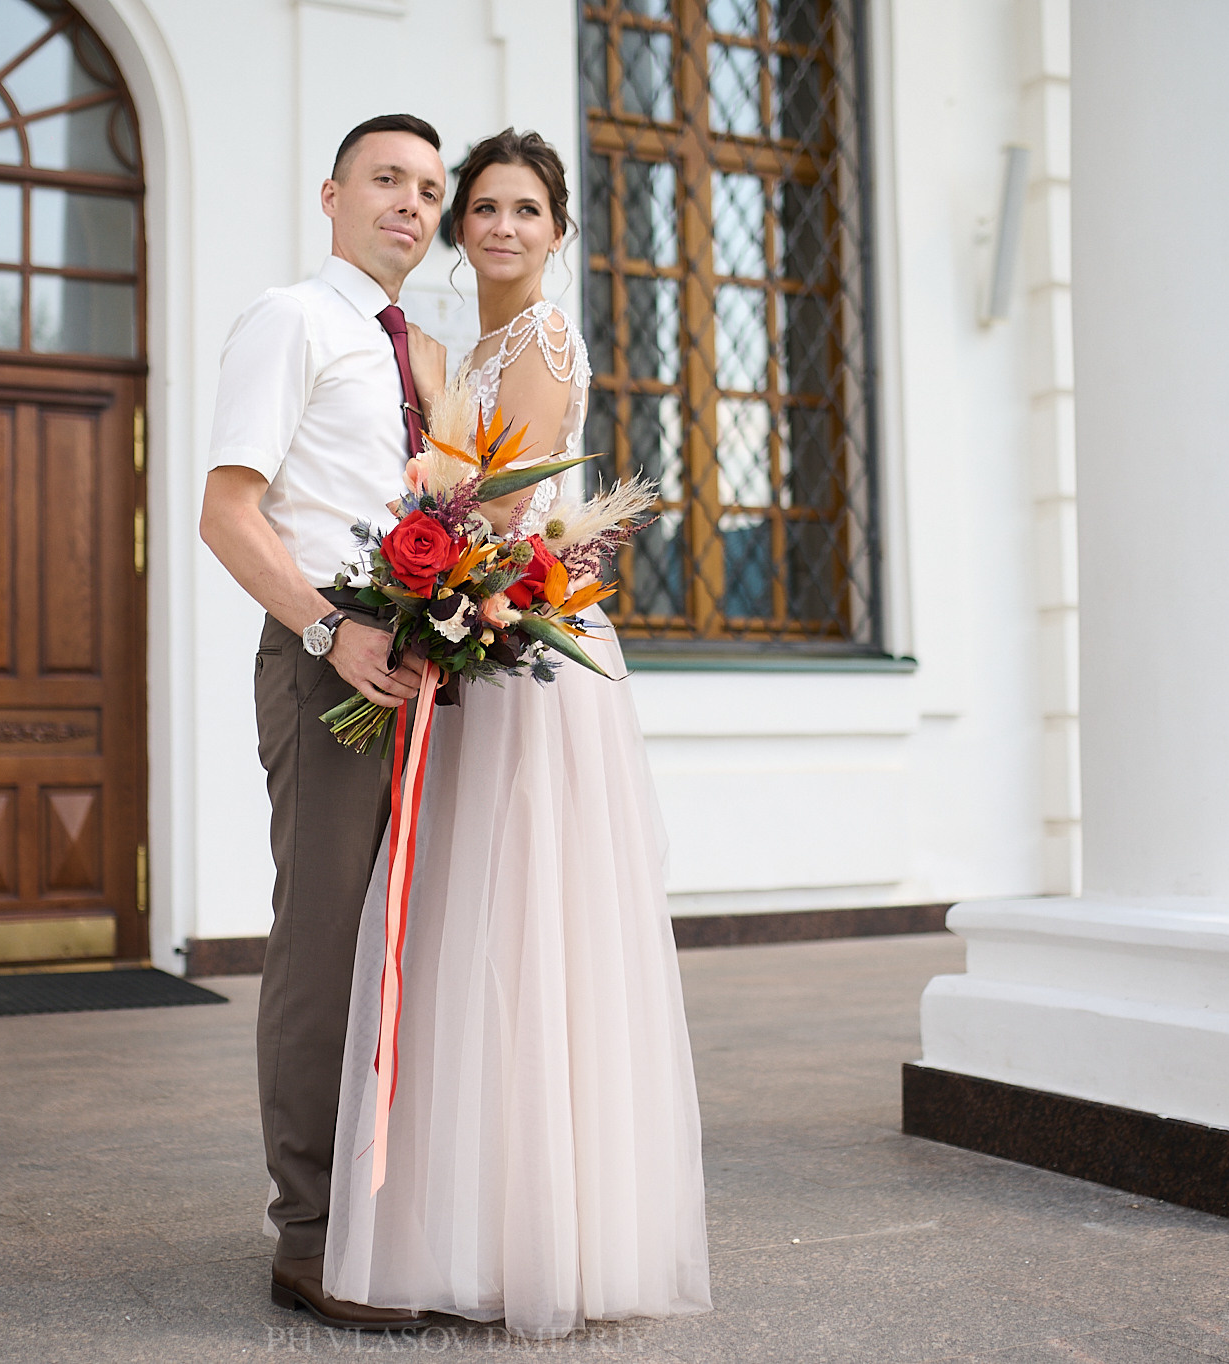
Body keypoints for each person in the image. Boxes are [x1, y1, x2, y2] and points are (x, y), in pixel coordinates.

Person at [323, 129, 713, 1339]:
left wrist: (411, 541)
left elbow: (493, 503)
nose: (498, 225)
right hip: (482, 632)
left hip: (528, 649)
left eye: (523, 209)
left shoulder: (539, 338)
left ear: (556, 232)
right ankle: (474, 1215)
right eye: (480, 207)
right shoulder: (467, 345)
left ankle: (545, 1229)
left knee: (530, 922)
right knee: (464, 921)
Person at [198, 113, 452, 1332]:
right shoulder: (291, 319)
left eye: (426, 187)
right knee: (322, 943)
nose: (410, 202)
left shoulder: (417, 350)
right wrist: (326, 632)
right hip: (324, 663)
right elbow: (228, 512)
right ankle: (307, 1236)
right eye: (385, 181)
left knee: (413, 942)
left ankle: (391, 1209)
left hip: (426, 667)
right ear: (332, 194)